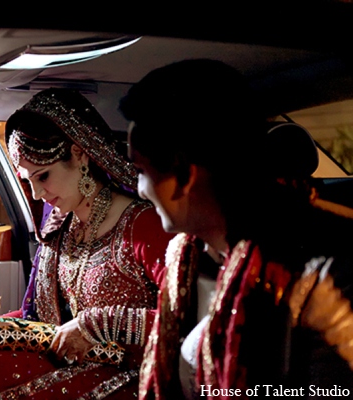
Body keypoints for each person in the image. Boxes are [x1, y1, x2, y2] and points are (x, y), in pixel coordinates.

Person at [120, 59, 353, 399]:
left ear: (185, 176)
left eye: (141, 170)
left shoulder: (321, 279)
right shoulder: (188, 261)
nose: (140, 189)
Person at [0, 88, 173, 399]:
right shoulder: (60, 226)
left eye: (43, 176)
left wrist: (98, 323)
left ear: (79, 155)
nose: (38, 195)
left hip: (135, 374)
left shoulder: (142, 223)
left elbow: (188, 318)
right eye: (28, 181)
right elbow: (38, 322)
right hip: (76, 364)